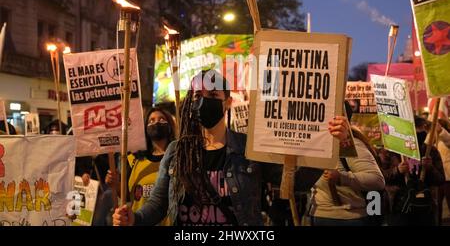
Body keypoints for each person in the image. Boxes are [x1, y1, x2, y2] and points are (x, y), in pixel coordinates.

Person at [112, 69, 350, 226]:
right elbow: (158, 205)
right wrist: (134, 218)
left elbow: (296, 182)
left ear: (228, 102)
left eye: (213, 94)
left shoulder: (250, 148)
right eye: (197, 96)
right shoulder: (176, 152)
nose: (203, 101)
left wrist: (329, 145)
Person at [94, 107, 175, 226]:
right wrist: (115, 184)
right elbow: (126, 195)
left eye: (161, 119)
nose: (156, 123)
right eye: (151, 121)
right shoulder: (133, 160)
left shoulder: (179, 158)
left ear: (170, 126)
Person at [309, 102, 386, 226]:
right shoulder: (316, 144)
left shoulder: (352, 144)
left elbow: (377, 180)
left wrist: (341, 177)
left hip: (347, 218)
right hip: (319, 215)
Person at [381, 116, 445, 226]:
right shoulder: (390, 151)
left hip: (425, 206)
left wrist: (430, 168)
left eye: (420, 132)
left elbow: (440, 179)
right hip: (399, 206)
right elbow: (380, 178)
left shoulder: (430, 151)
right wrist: (398, 170)